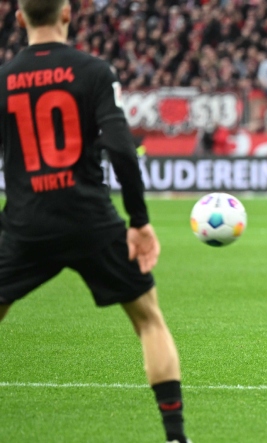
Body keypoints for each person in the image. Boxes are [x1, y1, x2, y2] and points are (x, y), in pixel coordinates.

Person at [0, 2, 189, 442]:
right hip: (91, 218)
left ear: (21, 18)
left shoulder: (5, 80)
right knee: (149, 321)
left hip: (27, 223)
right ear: (67, 13)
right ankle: (177, 437)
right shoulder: (95, 71)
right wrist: (139, 221)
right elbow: (121, 148)